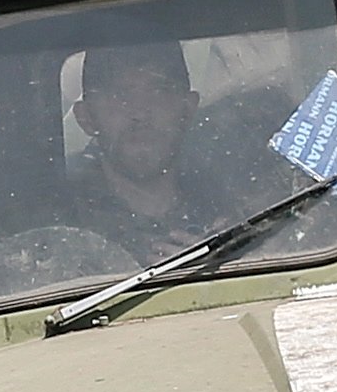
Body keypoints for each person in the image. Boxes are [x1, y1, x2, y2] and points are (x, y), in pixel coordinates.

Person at [55, 37, 246, 263]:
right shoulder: (58, 225)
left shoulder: (238, 208)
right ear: (86, 117)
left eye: (159, 90)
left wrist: (222, 265)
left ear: (188, 108)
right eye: (120, 95)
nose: (140, 113)